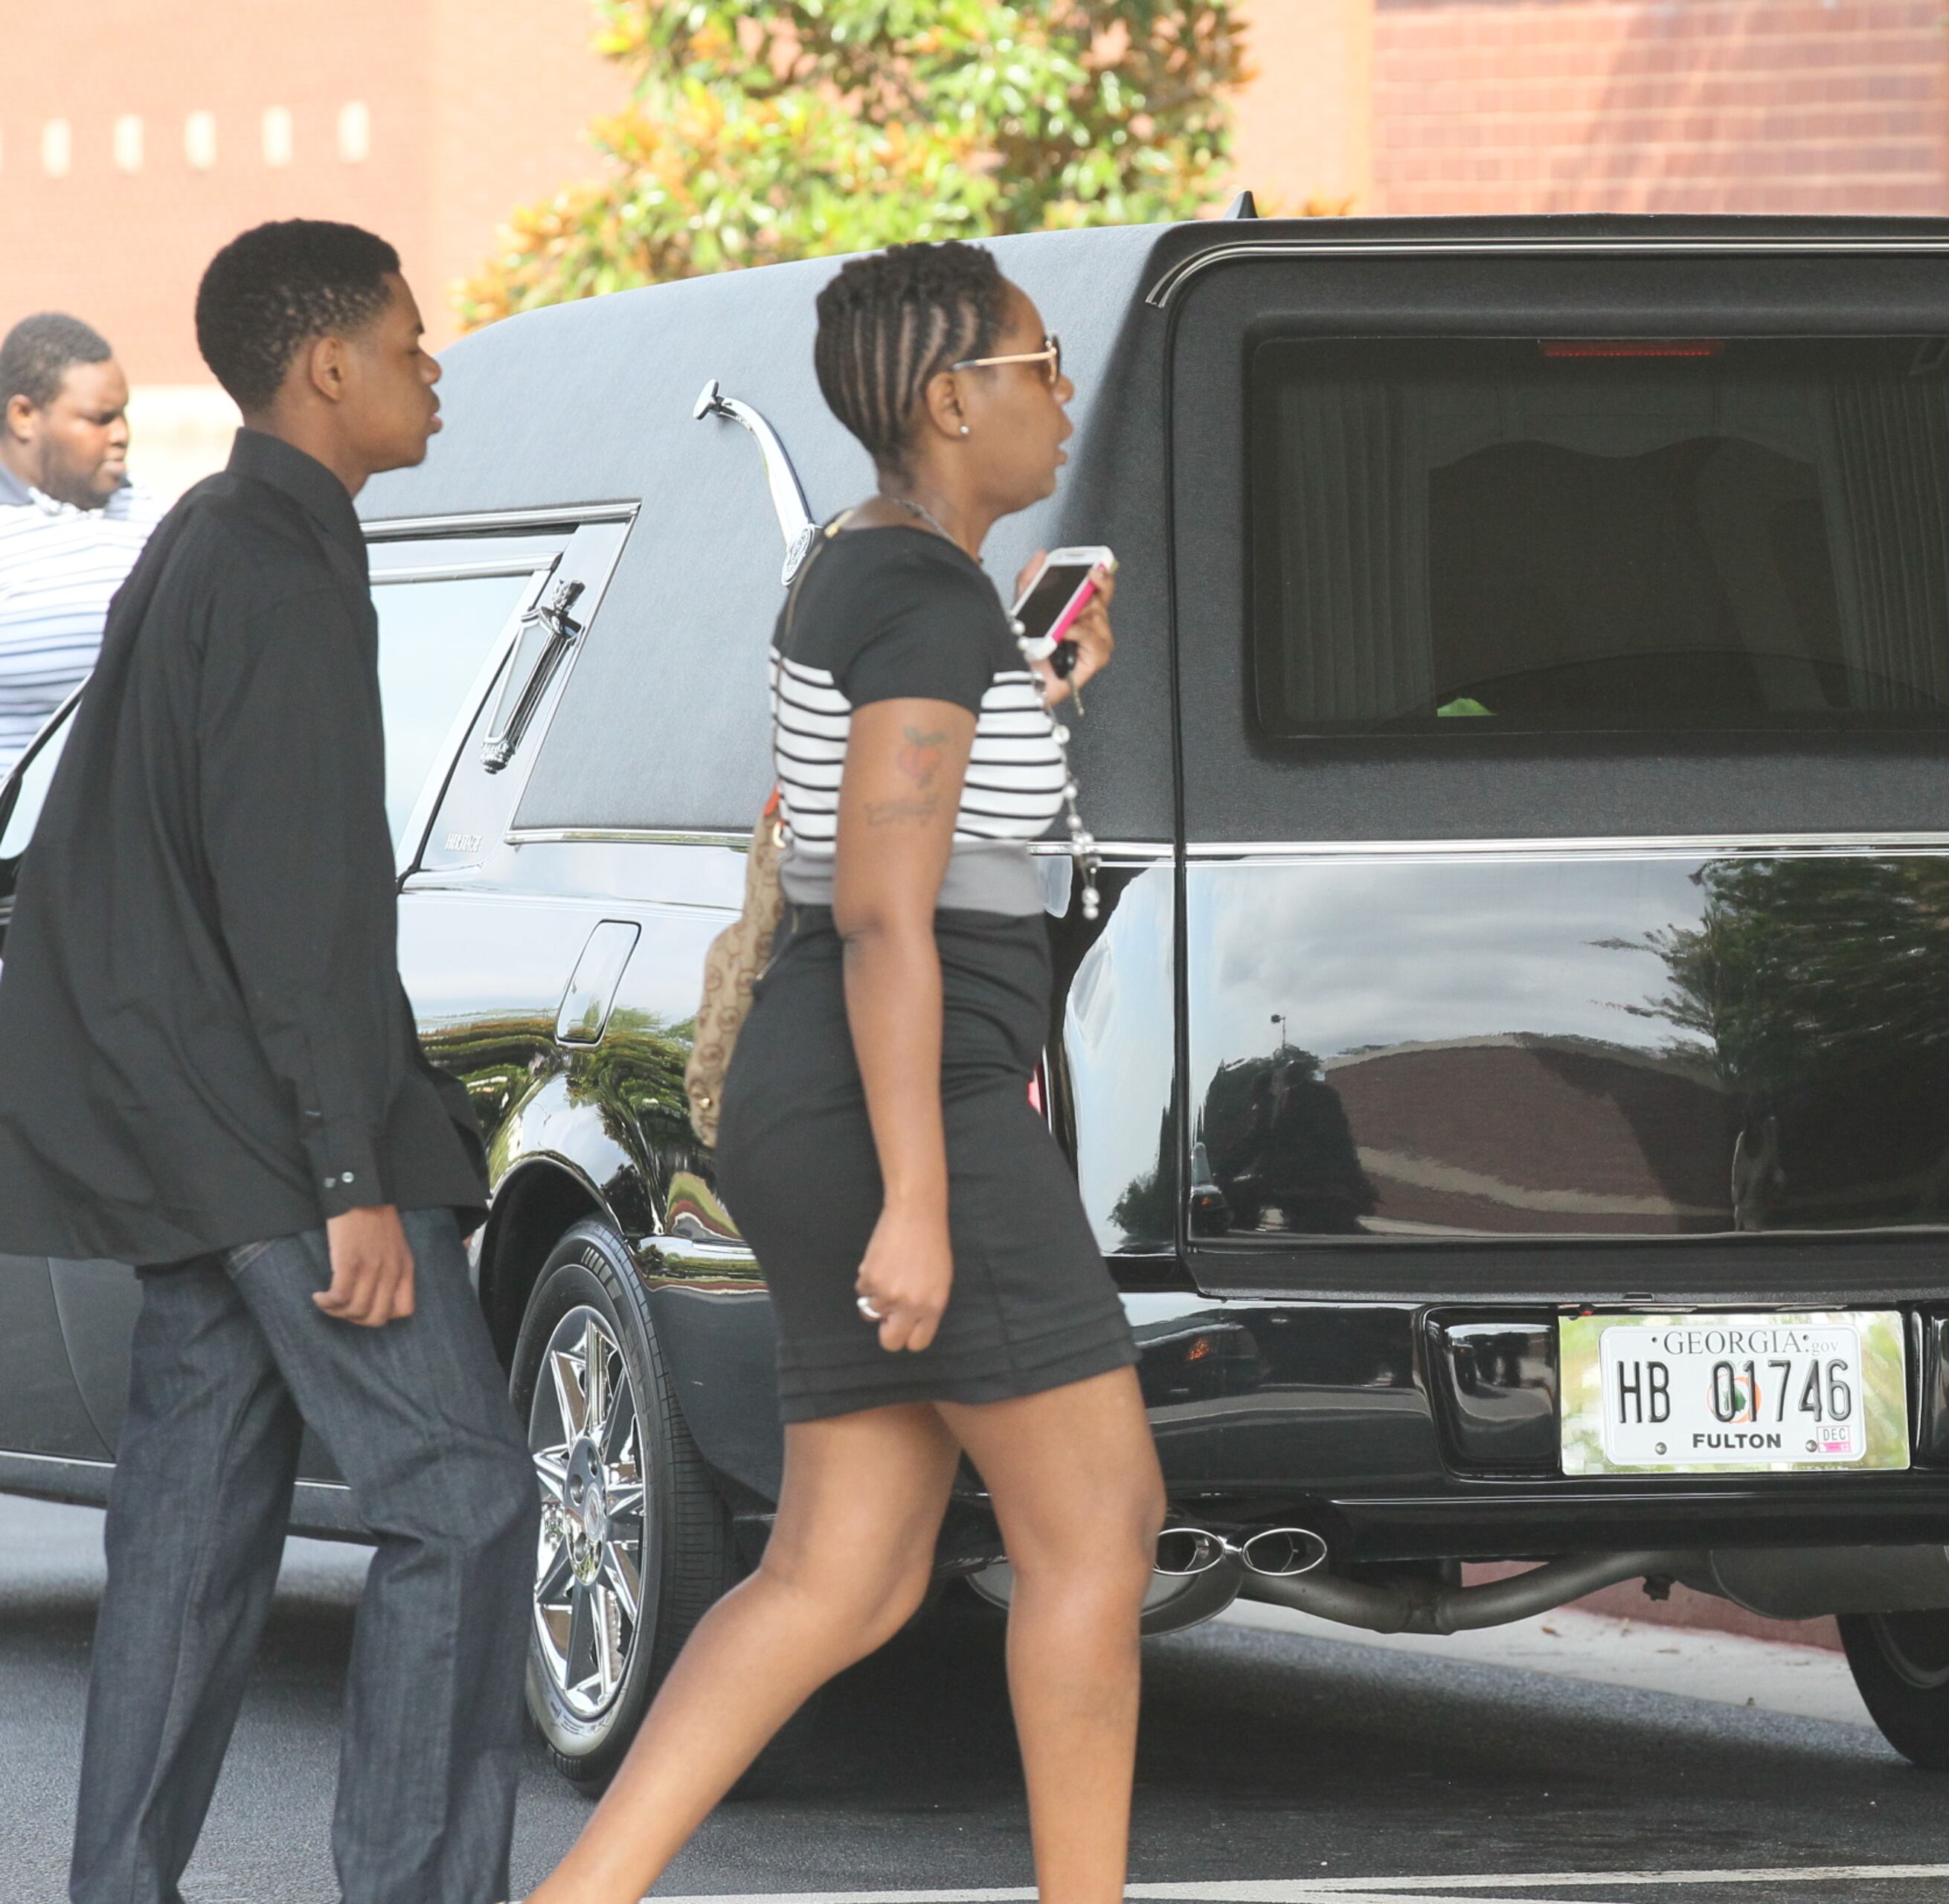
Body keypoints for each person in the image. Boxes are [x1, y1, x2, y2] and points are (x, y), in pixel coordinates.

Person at [524, 242, 1162, 1904]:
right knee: (1097, 1526)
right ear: (954, 401)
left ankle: (574, 1894)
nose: (1063, 393)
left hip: (835, 1094)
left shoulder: (877, 576)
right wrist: (926, 1203)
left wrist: (1024, 694)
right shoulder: (916, 595)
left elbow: (892, 840)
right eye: (1042, 365)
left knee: (844, 1570)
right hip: (906, 1101)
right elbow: (882, 912)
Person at [0, 222, 533, 1904]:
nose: (429, 363)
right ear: (327, 366)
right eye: (409, 337)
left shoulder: (200, 541)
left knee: (189, 1528)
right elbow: (296, 905)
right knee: (460, 1495)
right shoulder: (283, 569)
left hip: (191, 1124)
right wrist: (349, 1176)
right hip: (278, 1141)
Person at [0, 313, 164, 760]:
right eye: (100, 418)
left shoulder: (155, 517)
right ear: (25, 417)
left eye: (124, 414)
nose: (121, 435)